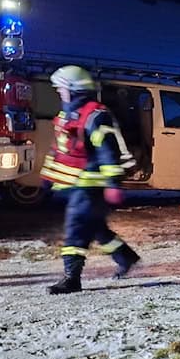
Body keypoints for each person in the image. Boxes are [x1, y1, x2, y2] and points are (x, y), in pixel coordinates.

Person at [41, 65, 139, 295]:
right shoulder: (69, 115)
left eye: (61, 89)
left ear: (74, 90)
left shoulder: (95, 115)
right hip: (77, 184)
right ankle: (126, 257)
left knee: (76, 228)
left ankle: (71, 278)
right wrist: (48, 177)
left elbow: (108, 151)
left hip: (91, 185)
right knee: (95, 227)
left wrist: (113, 185)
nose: (59, 93)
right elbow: (60, 149)